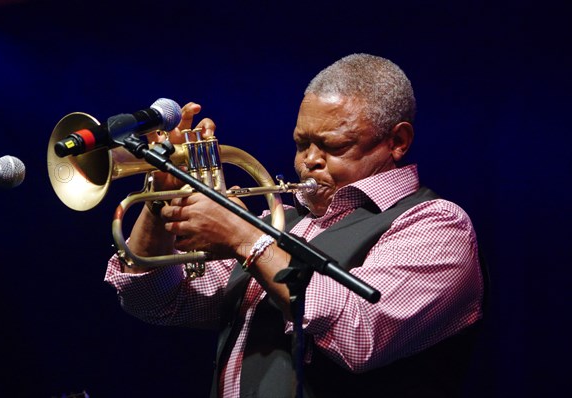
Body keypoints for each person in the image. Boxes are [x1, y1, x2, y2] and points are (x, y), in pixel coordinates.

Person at [105, 54, 486, 397]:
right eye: (302, 144)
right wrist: (160, 200)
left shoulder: (435, 223)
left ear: (398, 141)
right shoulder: (280, 224)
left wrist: (243, 238)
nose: (309, 162)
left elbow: (362, 334)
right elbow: (154, 301)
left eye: (334, 146)